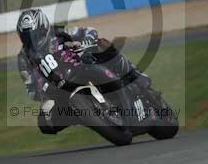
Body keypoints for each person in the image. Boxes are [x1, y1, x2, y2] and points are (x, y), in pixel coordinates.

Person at [16, 8, 149, 134]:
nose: (31, 40)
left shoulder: (59, 32)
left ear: (43, 28)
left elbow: (89, 31)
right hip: (56, 90)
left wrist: (85, 41)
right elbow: (31, 90)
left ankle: (135, 74)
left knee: (102, 44)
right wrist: (43, 90)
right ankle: (85, 115)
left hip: (79, 66)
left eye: (33, 35)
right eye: (26, 37)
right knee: (44, 123)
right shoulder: (23, 58)